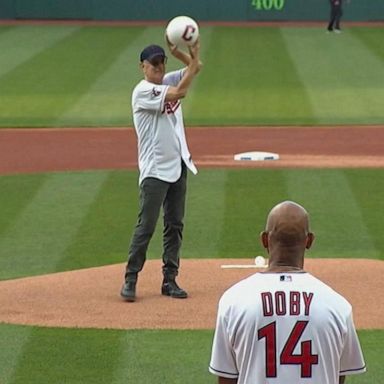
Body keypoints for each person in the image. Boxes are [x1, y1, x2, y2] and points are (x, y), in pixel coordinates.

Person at [209, 201, 366, 384]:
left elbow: (226, 378)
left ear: (264, 239)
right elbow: (337, 376)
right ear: (309, 241)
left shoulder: (233, 301)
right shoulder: (338, 306)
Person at [120, 38, 202, 302]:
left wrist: (186, 53)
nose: (157, 67)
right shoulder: (142, 91)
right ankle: (131, 278)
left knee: (175, 224)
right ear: (142, 66)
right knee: (146, 226)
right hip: (155, 170)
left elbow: (195, 68)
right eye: (152, 63)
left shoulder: (166, 80)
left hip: (178, 164)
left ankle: (170, 280)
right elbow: (179, 93)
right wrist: (184, 67)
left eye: (160, 62)